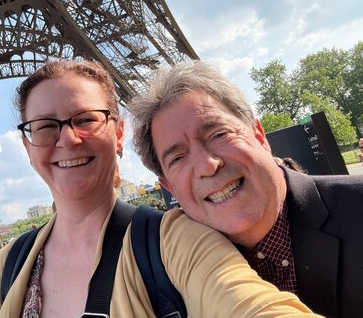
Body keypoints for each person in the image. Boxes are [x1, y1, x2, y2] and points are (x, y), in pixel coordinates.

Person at [0, 59, 320, 317]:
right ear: (28, 148)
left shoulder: (176, 241)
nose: (68, 139)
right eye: (44, 127)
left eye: (85, 120)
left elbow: (252, 305)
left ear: (118, 135)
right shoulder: (5, 266)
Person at [130, 60, 363, 318]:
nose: (207, 165)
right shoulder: (170, 277)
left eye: (219, 134)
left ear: (259, 135)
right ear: (170, 188)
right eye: (178, 158)